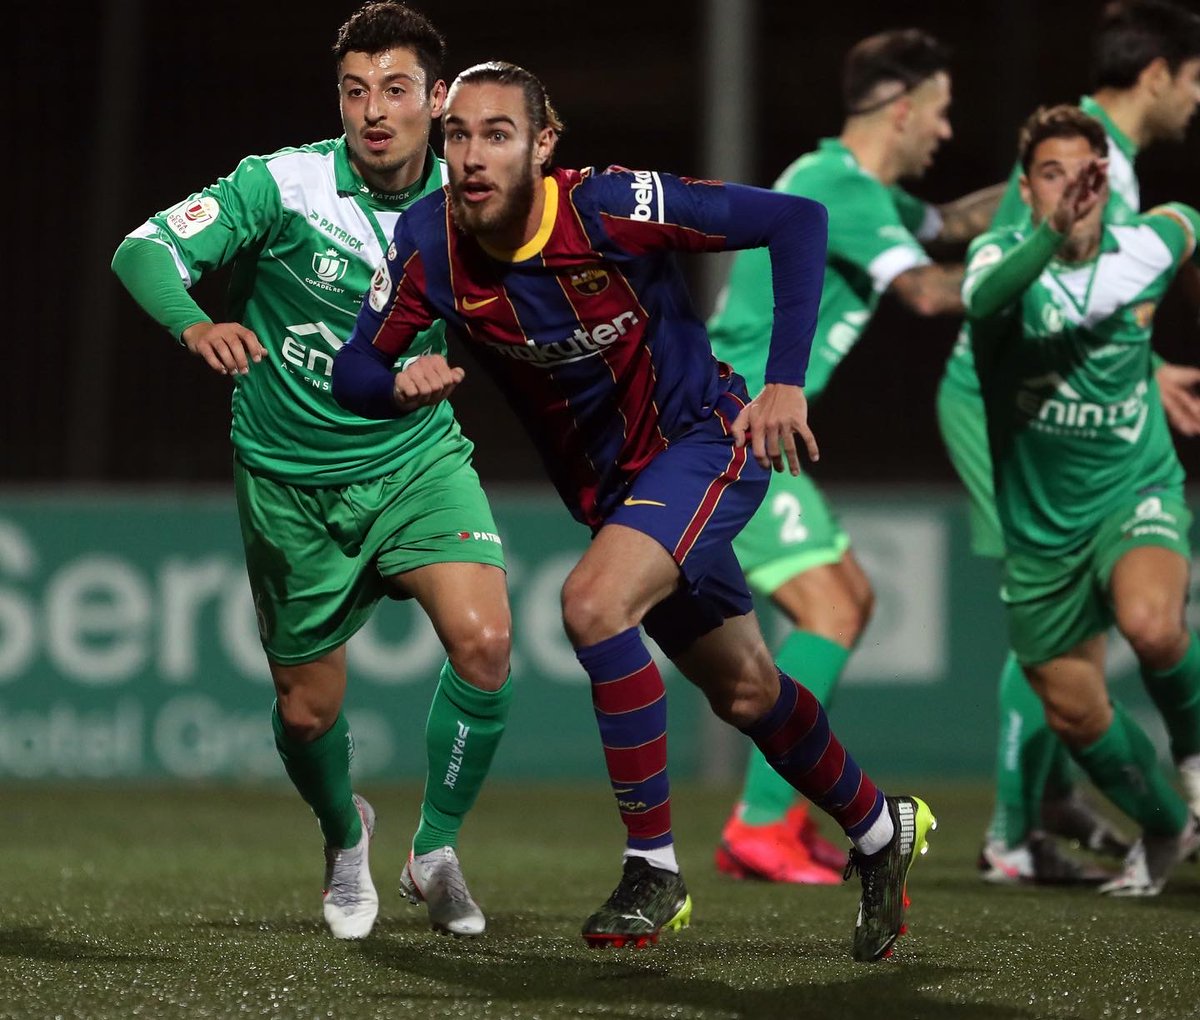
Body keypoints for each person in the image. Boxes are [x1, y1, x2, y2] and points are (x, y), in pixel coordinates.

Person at [332, 59, 936, 962]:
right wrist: (397, 379)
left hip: (708, 441)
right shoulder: (429, 244)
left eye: (498, 134)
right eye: (457, 134)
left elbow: (795, 221)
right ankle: (879, 829)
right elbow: (354, 370)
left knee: (591, 605)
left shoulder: (612, 205)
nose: (471, 156)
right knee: (745, 690)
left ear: (542, 144)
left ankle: (653, 867)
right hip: (616, 495)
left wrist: (784, 385)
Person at [111, 2, 515, 939]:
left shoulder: (472, 197)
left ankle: (435, 850)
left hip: (416, 463)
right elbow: (144, 249)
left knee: (486, 644)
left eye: (397, 90)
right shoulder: (281, 185)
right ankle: (345, 836)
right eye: (355, 90)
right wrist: (194, 321)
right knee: (304, 714)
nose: (374, 110)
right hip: (291, 482)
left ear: (437, 99)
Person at [706, 28, 1005, 885]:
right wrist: (1040, 261)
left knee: (846, 601)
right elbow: (924, 288)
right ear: (903, 108)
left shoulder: (856, 188)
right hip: (728, 425)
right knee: (833, 607)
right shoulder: (837, 185)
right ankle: (760, 824)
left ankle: (775, 816)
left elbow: (948, 224)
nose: (945, 133)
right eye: (941, 114)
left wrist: (1036, 185)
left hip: (750, 424)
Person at [936, 0, 1200, 885]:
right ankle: (1081, 816)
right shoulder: (1021, 250)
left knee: (1151, 624)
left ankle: (1044, 817)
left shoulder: (1131, 208)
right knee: (1066, 683)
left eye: (1078, 174)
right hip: (1005, 432)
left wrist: (1143, 359)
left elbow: (1175, 233)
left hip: (1128, 479)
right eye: (1048, 176)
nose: (1072, 186)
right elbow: (991, 300)